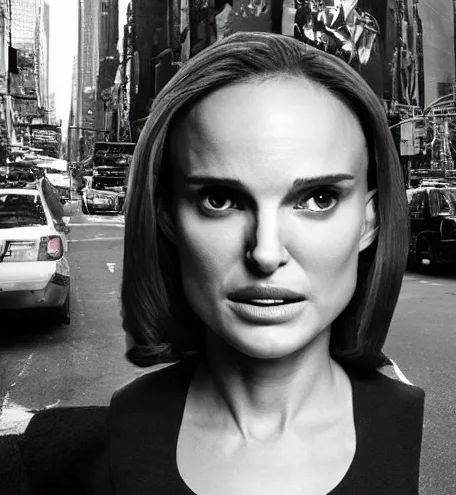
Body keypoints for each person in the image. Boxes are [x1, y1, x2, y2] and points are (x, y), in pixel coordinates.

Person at [1, 32, 423, 494]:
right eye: (220, 200)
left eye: (318, 199)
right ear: (167, 216)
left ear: (369, 221)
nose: (265, 253)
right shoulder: (54, 463)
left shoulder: (399, 422)